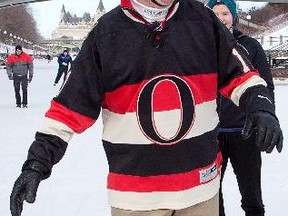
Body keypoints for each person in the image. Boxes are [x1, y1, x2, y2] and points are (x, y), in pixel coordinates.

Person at [10, 0, 283, 216]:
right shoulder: (106, 34)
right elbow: (68, 109)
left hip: (201, 191)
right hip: (137, 199)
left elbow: (243, 74)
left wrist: (260, 107)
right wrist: (37, 162)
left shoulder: (203, 20)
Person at [206, 0, 276, 215]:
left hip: (244, 131)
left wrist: (266, 115)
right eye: (215, 13)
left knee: (252, 194)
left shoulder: (250, 46)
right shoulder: (200, 47)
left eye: (225, 13)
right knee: (211, 195)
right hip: (210, 134)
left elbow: (265, 86)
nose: (220, 18)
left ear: (234, 16)